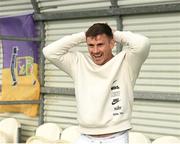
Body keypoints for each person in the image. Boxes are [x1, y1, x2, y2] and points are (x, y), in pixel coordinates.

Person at [43, 23, 150, 144]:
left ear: (112, 43)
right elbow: (49, 52)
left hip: (116, 138)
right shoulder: (78, 63)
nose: (95, 51)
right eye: (90, 45)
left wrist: (114, 34)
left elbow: (143, 44)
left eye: (100, 44)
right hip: (86, 137)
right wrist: (83, 36)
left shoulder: (126, 62)